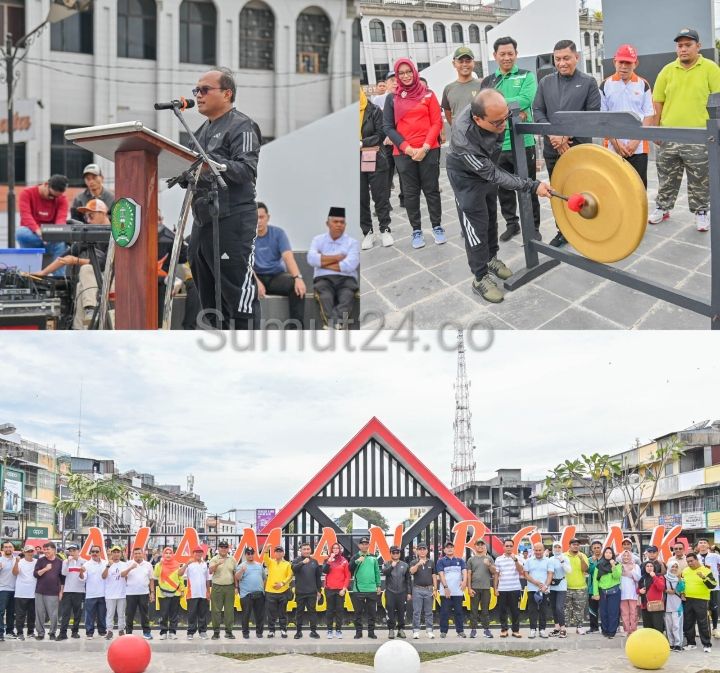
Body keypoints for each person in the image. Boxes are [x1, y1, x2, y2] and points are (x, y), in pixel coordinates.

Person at [446, 89, 552, 303]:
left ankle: (491, 259)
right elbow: (493, 174)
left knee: (490, 217)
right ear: (477, 119)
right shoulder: (463, 139)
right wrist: (533, 186)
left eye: (505, 118)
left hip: (487, 165)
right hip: (466, 177)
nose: (503, 125)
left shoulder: (495, 113)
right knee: (476, 225)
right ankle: (479, 277)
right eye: (497, 123)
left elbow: (506, 115)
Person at [186, 67, 262, 328]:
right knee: (208, 299)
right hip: (202, 221)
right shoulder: (200, 132)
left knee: (237, 296)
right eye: (196, 90)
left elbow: (246, 169)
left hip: (232, 221)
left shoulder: (242, 125)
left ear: (227, 93)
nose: (198, 95)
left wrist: (212, 165)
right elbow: (185, 166)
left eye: (204, 90)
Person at [533, 39, 601, 247]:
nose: (562, 63)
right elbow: (538, 111)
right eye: (557, 59)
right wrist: (554, 134)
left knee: (584, 189)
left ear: (576, 58)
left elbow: (592, 116)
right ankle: (563, 230)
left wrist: (566, 134)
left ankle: (587, 228)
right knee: (559, 191)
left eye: (566, 58)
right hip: (552, 149)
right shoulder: (545, 83)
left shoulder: (589, 83)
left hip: (580, 149)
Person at [650, 29, 720, 231]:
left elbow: (718, 101)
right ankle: (663, 208)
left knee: (700, 178)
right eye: (680, 45)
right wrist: (656, 130)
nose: (683, 49)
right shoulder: (667, 70)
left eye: (688, 45)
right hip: (669, 135)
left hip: (699, 136)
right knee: (666, 176)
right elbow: (658, 101)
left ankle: (701, 211)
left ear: (698, 46)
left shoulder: (710, 69)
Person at [480, 37, 541, 241]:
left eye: (510, 53)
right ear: (495, 56)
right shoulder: (488, 81)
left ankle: (533, 228)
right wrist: (512, 109)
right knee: (504, 189)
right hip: (496, 145)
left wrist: (495, 106)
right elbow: (482, 106)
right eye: (502, 54)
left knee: (529, 187)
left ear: (516, 54)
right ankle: (512, 224)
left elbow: (525, 100)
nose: (507, 57)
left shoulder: (526, 76)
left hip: (523, 143)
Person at [383, 58, 445, 250]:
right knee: (410, 193)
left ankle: (437, 226)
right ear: (397, 76)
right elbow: (388, 127)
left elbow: (436, 123)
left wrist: (425, 147)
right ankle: (416, 229)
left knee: (432, 190)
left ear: (414, 72)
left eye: (408, 71)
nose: (405, 76)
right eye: (400, 73)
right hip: (403, 153)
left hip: (429, 150)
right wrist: (408, 149)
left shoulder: (428, 94)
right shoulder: (392, 98)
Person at [33, 198, 112, 330]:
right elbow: (65, 256)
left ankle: (91, 313)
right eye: (86, 216)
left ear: (103, 213)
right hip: (97, 279)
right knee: (81, 286)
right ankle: (79, 328)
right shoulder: (90, 233)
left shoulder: (115, 234)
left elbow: (104, 263)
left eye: (91, 215)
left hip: (113, 278)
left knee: (86, 269)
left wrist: (76, 261)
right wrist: (43, 273)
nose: (88, 220)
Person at [599, 44, 655, 188]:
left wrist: (636, 141)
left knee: (638, 188)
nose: (624, 66)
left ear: (635, 63)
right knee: (614, 187)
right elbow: (602, 117)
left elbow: (649, 115)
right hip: (612, 147)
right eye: (621, 62)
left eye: (628, 62)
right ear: (614, 62)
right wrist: (615, 142)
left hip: (638, 148)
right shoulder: (605, 85)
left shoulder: (643, 85)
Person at [253, 202, 307, 328]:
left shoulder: (278, 234)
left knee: (297, 287)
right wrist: (255, 282)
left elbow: (288, 257)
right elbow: (245, 262)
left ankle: (296, 331)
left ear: (268, 217)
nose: (259, 221)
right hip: (255, 277)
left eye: (262, 217)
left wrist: (298, 278)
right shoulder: (247, 237)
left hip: (275, 277)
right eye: (256, 218)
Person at [307, 208, 359, 329]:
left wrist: (323, 262)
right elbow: (311, 259)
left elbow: (350, 265)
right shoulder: (318, 240)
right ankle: (336, 326)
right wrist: (337, 257)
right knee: (325, 296)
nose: (339, 225)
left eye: (342, 222)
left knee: (347, 296)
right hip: (324, 279)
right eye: (335, 222)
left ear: (345, 225)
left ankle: (333, 325)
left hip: (346, 280)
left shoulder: (352, 242)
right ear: (327, 223)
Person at [360, 89, 393, 250]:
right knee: (361, 197)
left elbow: (381, 133)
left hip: (372, 156)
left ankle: (385, 229)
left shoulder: (373, 110)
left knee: (380, 195)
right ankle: (367, 232)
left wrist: (362, 143)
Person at [16, 175, 69, 265]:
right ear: (46, 184)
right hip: (33, 235)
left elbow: (61, 219)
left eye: (56, 197)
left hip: (51, 238)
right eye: (50, 195)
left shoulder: (62, 199)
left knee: (61, 240)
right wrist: (39, 232)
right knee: (21, 232)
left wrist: (53, 234)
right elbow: (26, 216)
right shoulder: (27, 193)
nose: (52, 198)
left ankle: (60, 277)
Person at [682, 552, 715, 652]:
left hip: (701, 600)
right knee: (688, 622)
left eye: (691, 561)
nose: (690, 563)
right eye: (688, 562)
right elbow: (682, 584)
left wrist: (704, 578)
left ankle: (707, 644)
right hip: (688, 599)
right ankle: (691, 643)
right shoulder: (685, 571)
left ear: (697, 559)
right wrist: (682, 593)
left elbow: (713, 585)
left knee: (703, 622)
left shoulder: (706, 570)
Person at [350, 537, 381, 639]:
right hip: (358, 590)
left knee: (372, 613)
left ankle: (371, 632)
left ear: (368, 545)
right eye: (362, 544)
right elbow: (349, 569)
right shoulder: (355, 557)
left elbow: (377, 572)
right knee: (358, 613)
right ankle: (358, 632)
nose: (364, 545)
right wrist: (357, 561)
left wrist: (378, 585)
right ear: (359, 546)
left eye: (366, 544)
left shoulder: (373, 557)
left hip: (372, 590)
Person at [435, 541, 467, 639]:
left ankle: (460, 631)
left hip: (458, 591)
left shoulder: (460, 560)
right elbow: (441, 575)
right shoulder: (441, 561)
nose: (449, 549)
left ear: (454, 549)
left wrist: (464, 581)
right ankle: (443, 631)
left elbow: (464, 572)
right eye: (447, 547)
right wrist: (445, 587)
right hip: (446, 592)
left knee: (459, 612)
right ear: (444, 550)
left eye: (451, 547)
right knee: (444, 612)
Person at [442, 47, 480, 126]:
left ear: (473, 63)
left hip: (479, 135)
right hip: (458, 136)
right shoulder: (448, 89)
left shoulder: (482, 86)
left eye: (468, 61)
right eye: (460, 61)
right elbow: (447, 112)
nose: (464, 64)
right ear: (454, 64)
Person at [493, 539, 524, 638]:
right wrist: (495, 588)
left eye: (511, 546)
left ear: (513, 547)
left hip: (515, 588)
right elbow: (496, 575)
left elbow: (521, 571)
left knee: (515, 611)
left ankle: (515, 630)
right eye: (507, 546)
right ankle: (504, 630)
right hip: (502, 589)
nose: (509, 548)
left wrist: (515, 560)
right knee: (502, 610)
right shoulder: (498, 559)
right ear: (503, 547)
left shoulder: (518, 558)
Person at [291, 542, 321, 639]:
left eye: (308, 549)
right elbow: (294, 569)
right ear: (301, 550)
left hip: (312, 592)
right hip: (300, 592)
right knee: (299, 613)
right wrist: (302, 563)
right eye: (304, 549)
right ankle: (298, 632)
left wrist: (319, 590)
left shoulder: (314, 562)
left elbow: (318, 578)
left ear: (310, 550)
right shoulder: (296, 560)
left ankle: (313, 631)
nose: (306, 551)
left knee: (312, 612)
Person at [33, 541, 63, 640]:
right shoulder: (41, 561)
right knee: (39, 613)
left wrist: (61, 591)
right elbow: (36, 574)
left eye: (48, 549)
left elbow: (62, 579)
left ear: (54, 550)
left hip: (53, 592)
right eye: (44, 550)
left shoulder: (59, 562)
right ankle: (40, 633)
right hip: (40, 591)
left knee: (53, 614)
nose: (45, 551)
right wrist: (45, 569)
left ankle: (52, 632)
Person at [467, 539, 496, 639]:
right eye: (478, 545)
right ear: (475, 546)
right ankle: (473, 630)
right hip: (474, 588)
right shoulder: (471, 560)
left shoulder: (489, 559)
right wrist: (469, 588)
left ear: (484, 546)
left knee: (485, 610)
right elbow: (469, 575)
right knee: (473, 610)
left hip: (486, 588)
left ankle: (486, 630)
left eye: (482, 545)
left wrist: (489, 565)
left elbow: (494, 572)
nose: (480, 547)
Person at [123, 547, 155, 640]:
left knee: (144, 614)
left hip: (144, 593)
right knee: (130, 614)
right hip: (130, 593)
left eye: (139, 553)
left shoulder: (148, 565)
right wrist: (130, 568)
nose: (137, 555)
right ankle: (128, 633)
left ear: (143, 554)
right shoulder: (128, 563)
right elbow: (123, 575)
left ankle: (146, 632)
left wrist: (152, 592)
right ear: (133, 554)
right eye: (135, 553)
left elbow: (151, 579)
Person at [209, 540, 238, 639]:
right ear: (218, 548)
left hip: (229, 587)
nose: (223, 549)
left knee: (229, 610)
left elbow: (235, 574)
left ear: (228, 549)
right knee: (216, 610)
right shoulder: (214, 559)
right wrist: (217, 564)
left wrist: (236, 587)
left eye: (225, 547)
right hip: (217, 587)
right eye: (221, 547)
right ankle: (216, 632)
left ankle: (229, 631)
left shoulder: (232, 559)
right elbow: (210, 571)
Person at [591, 547, 622, 639]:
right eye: (606, 552)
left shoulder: (617, 564)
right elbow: (595, 580)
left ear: (613, 555)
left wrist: (613, 566)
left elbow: (617, 576)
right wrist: (595, 593)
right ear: (604, 554)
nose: (608, 554)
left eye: (610, 553)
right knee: (603, 612)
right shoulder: (599, 565)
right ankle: (604, 630)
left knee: (613, 612)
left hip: (614, 591)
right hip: (602, 592)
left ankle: (612, 631)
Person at [179, 547, 210, 640]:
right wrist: (186, 564)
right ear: (193, 553)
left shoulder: (205, 564)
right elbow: (180, 574)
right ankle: (190, 632)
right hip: (192, 594)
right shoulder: (189, 564)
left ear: (202, 554)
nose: (198, 554)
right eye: (196, 552)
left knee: (202, 614)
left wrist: (208, 591)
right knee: (192, 614)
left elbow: (207, 579)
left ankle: (203, 632)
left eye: (200, 552)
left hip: (203, 594)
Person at [524, 542, 554, 638]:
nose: (538, 552)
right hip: (532, 589)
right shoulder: (529, 561)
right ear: (533, 550)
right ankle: (532, 630)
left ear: (543, 550)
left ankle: (542, 630)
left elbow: (550, 574)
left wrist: (545, 585)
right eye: (536, 550)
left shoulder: (548, 561)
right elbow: (526, 574)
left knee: (543, 610)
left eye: (539, 550)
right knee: (532, 610)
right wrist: (535, 582)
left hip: (544, 590)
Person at [235, 547, 265, 639]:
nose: (250, 555)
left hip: (259, 594)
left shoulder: (259, 565)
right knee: (246, 615)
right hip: (246, 595)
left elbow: (264, 578)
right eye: (248, 553)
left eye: (252, 553)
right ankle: (245, 633)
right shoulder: (241, 566)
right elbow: (237, 577)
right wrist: (242, 570)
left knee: (260, 615)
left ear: (254, 554)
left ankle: (259, 632)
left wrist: (261, 588)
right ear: (245, 555)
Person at [382, 545, 412, 639]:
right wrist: (391, 566)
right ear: (390, 553)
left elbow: (408, 580)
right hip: (390, 592)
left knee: (402, 611)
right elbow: (385, 572)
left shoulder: (405, 565)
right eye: (393, 552)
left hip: (402, 592)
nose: (395, 554)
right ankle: (391, 630)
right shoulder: (387, 563)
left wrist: (409, 592)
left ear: (400, 554)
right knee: (390, 611)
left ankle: (401, 630)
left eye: (397, 552)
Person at [264, 545, 292, 638]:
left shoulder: (287, 564)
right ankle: (271, 630)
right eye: (277, 551)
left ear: (283, 553)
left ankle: (283, 630)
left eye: (280, 551)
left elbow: (290, 576)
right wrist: (266, 550)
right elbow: (265, 558)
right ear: (274, 553)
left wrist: (282, 583)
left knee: (282, 613)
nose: (278, 553)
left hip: (283, 591)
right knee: (271, 613)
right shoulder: (270, 562)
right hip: (270, 591)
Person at [322, 542, 350, 638]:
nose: (335, 550)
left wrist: (344, 588)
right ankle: (329, 630)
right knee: (329, 610)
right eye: (334, 548)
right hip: (329, 589)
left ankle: (338, 630)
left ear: (340, 550)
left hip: (340, 590)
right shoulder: (327, 560)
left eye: (337, 548)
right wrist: (329, 560)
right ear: (331, 550)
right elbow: (325, 571)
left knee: (339, 611)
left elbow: (347, 576)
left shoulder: (344, 561)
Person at [58, 543, 85, 641]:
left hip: (79, 591)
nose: (72, 552)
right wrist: (68, 562)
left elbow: (83, 578)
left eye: (74, 550)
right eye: (70, 550)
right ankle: (63, 633)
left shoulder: (84, 562)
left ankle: (75, 632)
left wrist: (81, 572)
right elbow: (64, 573)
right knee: (65, 613)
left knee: (77, 613)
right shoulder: (65, 561)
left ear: (78, 551)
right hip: (68, 591)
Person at [409, 542, 435, 639]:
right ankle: (416, 631)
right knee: (417, 611)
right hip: (417, 589)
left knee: (429, 612)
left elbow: (434, 575)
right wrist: (418, 564)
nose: (422, 551)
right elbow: (411, 571)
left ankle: (429, 631)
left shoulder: (431, 562)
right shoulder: (413, 562)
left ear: (427, 551)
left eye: (424, 549)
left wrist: (435, 588)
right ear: (417, 551)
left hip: (429, 589)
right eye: (420, 549)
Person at [564, 538, 589, 634]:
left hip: (580, 588)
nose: (576, 546)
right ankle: (564, 628)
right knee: (565, 609)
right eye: (573, 544)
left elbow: (585, 569)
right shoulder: (564, 556)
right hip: (566, 587)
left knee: (579, 609)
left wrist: (581, 559)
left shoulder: (583, 556)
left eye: (577, 545)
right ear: (569, 546)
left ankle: (579, 627)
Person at [102, 545, 128, 640]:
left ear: (121, 554)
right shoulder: (106, 563)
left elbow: (127, 577)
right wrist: (108, 566)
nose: (116, 554)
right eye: (114, 552)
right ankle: (109, 631)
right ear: (111, 553)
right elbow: (103, 576)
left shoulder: (125, 564)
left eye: (118, 552)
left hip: (122, 593)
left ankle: (121, 630)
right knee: (110, 613)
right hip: (110, 593)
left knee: (121, 613)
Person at [696, 538, 720, 637]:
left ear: (708, 545)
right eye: (700, 543)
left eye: (704, 543)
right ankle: (700, 629)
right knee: (700, 609)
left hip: (714, 587)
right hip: (699, 587)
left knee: (714, 608)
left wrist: (718, 548)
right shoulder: (695, 557)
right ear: (698, 546)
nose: (702, 544)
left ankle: (715, 628)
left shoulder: (714, 556)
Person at [12, 545, 37, 640]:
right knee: (20, 615)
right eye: (28, 551)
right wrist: (17, 562)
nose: (30, 553)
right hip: (21, 592)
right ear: (24, 552)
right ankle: (19, 633)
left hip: (34, 592)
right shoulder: (20, 562)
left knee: (32, 614)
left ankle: (30, 632)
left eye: (31, 551)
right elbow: (15, 573)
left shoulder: (37, 562)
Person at [83, 545, 107, 638]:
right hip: (91, 594)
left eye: (97, 551)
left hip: (103, 593)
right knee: (89, 616)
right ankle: (89, 632)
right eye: (93, 551)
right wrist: (81, 572)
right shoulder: (86, 564)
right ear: (90, 553)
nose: (95, 553)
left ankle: (102, 631)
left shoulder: (106, 563)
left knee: (102, 615)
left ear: (100, 553)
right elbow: (83, 578)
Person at [548, 542, 569, 638]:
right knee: (553, 607)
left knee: (559, 607)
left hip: (561, 586)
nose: (557, 549)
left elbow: (569, 571)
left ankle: (563, 628)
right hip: (552, 586)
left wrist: (562, 562)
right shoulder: (550, 559)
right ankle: (557, 627)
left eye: (559, 547)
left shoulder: (565, 557)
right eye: (555, 547)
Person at [638, 560, 666, 633]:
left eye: (651, 566)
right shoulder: (642, 578)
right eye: (647, 566)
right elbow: (637, 589)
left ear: (654, 568)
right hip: (645, 606)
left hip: (656, 606)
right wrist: (639, 591)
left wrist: (654, 577)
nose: (649, 568)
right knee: (647, 628)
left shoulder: (659, 576)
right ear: (644, 568)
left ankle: (659, 643)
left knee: (658, 627)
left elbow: (661, 587)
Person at [618, 550, 641, 636]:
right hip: (622, 593)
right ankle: (626, 630)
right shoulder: (619, 566)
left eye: (628, 556)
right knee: (624, 613)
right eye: (624, 556)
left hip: (633, 593)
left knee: (633, 612)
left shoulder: (635, 566)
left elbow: (638, 578)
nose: (626, 557)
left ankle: (634, 629)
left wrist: (632, 571)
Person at [665, 561, 685, 651]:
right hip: (667, 605)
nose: (674, 568)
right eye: (672, 566)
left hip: (677, 605)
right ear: (669, 567)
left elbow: (682, 589)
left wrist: (679, 579)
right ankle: (671, 644)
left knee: (677, 625)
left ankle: (678, 644)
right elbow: (661, 588)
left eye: (676, 567)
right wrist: (666, 591)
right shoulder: (664, 577)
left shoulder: (679, 579)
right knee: (669, 626)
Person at [0, 540, 17, 642]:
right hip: (2, 589)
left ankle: (10, 631)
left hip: (15, 590)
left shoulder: (17, 560)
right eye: (6, 547)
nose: (8, 549)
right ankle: (0, 632)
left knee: (12, 612)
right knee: (1, 612)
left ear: (13, 549)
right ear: (2, 549)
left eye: (10, 547)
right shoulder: (0, 560)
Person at [586, 540, 603, 634]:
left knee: (604, 609)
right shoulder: (589, 560)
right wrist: (594, 561)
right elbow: (590, 571)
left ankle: (605, 626)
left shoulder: (605, 559)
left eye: (598, 547)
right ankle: (594, 627)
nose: (596, 549)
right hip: (592, 588)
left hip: (603, 588)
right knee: (592, 609)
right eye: (595, 548)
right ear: (592, 549)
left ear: (601, 548)